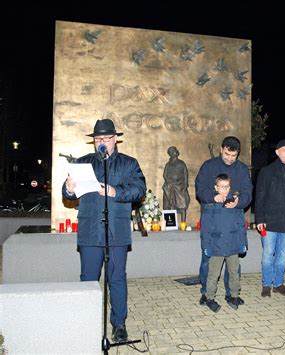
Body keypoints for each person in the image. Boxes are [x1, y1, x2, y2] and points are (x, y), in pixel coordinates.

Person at [62, 119, 146, 343]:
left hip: (116, 231)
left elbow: (139, 189)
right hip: (90, 230)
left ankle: (119, 324)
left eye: (106, 138)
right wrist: (68, 188)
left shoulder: (129, 164)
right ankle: (85, 322)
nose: (102, 142)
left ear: (115, 139)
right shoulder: (83, 163)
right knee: (88, 278)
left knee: (116, 278)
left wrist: (114, 190)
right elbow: (68, 193)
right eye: (98, 139)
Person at [195, 136, 252, 307]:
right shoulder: (208, 166)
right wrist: (213, 197)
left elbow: (248, 191)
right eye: (227, 154)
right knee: (208, 261)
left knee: (233, 262)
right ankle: (206, 293)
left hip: (232, 222)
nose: (230, 159)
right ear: (221, 149)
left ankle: (231, 293)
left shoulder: (242, 169)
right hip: (213, 222)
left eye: (233, 156)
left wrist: (239, 202)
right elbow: (200, 188)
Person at [255, 139, 285, 297]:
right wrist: (260, 218)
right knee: (268, 254)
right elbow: (260, 197)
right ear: (277, 152)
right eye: (284, 150)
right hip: (269, 221)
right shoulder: (267, 171)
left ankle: (279, 284)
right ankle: (266, 285)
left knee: (282, 256)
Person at [200, 174, 247, 312]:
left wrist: (243, 243)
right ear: (216, 188)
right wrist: (206, 246)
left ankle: (234, 295)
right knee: (213, 274)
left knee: (234, 272)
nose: (224, 190)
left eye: (226, 187)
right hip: (217, 246)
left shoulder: (235, 206)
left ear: (230, 187)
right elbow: (206, 229)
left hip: (232, 245)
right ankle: (209, 297)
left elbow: (241, 227)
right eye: (221, 187)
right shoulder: (210, 207)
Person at [162, 146, 190, 222]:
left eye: (176, 150)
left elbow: (185, 174)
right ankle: (170, 222)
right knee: (167, 191)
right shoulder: (168, 164)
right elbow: (165, 175)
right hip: (170, 185)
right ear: (170, 154)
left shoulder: (181, 163)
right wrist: (169, 181)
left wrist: (185, 184)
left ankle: (183, 222)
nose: (176, 151)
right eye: (174, 151)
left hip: (180, 185)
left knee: (182, 202)